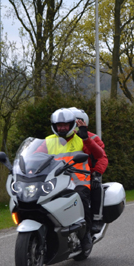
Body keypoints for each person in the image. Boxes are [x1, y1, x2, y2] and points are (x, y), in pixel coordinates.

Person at [37, 108, 106, 253]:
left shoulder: (82, 138)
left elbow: (99, 154)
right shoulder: (48, 141)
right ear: (54, 126)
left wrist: (86, 138)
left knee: (80, 199)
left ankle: (86, 235)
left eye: (65, 125)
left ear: (71, 125)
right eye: (59, 125)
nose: (62, 128)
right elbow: (35, 157)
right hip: (56, 182)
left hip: (79, 181)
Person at [67, 107, 108, 233]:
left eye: (74, 121)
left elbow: (102, 157)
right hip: (63, 175)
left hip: (86, 175)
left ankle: (96, 219)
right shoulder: (60, 139)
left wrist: (97, 173)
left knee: (97, 187)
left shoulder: (92, 138)